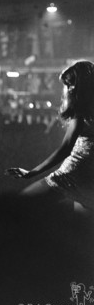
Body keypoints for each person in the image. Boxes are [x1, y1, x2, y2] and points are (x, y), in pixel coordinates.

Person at [6, 60, 94, 212]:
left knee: (19, 205)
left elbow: (66, 149)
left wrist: (32, 173)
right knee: (81, 230)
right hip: (89, 179)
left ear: (81, 86)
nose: (68, 89)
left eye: (70, 84)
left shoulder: (81, 113)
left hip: (72, 173)